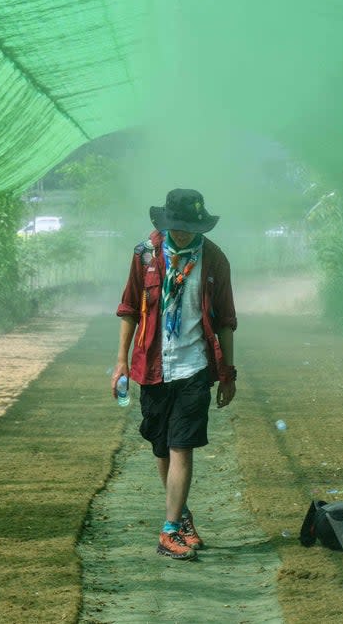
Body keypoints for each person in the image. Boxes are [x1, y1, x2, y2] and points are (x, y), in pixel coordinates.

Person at [112, 189, 238, 560]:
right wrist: (121, 361)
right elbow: (130, 308)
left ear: (200, 226)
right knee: (161, 445)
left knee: (182, 444)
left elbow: (226, 319)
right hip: (153, 365)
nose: (182, 234)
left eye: (189, 227)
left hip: (194, 365)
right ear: (165, 223)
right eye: (176, 227)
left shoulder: (213, 259)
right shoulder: (146, 255)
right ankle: (181, 516)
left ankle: (168, 531)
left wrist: (227, 372)